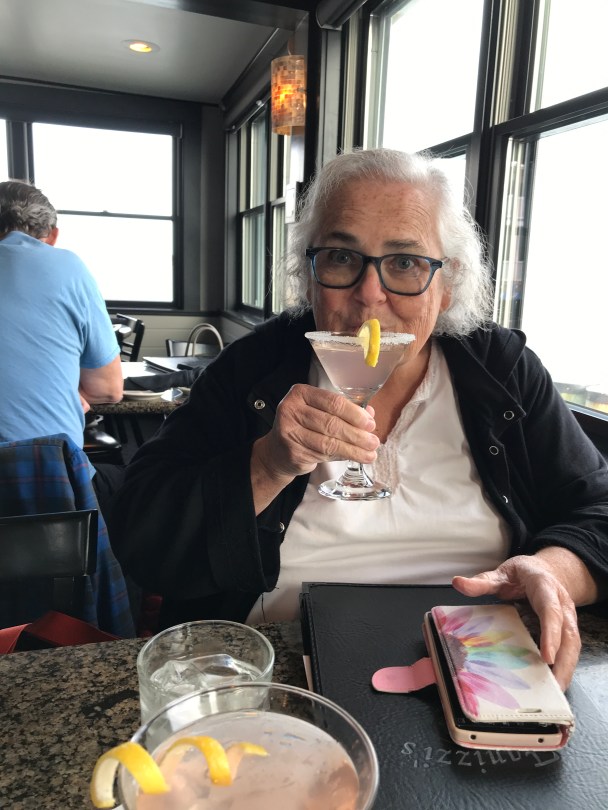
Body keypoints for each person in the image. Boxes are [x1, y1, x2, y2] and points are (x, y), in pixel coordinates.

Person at [110, 149, 608, 688]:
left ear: (446, 286)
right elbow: (143, 537)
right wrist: (268, 464)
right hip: (279, 666)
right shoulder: (253, 368)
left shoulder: (502, 370)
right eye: (342, 258)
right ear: (310, 274)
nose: (369, 295)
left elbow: (598, 510)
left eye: (405, 262)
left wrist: (552, 569)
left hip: (478, 666)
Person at [0, 180, 123, 456]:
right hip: (44, 464)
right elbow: (108, 389)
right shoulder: (69, 266)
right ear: (53, 236)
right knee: (140, 476)